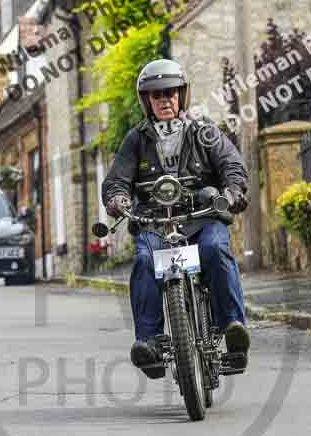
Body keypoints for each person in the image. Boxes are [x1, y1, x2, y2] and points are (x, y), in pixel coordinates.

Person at [102, 59, 250, 379]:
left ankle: (233, 329)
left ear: (182, 95)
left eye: (170, 93)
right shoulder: (136, 139)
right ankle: (149, 342)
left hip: (202, 217)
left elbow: (231, 164)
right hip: (154, 221)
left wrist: (233, 190)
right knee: (144, 261)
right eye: (157, 95)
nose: (165, 100)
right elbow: (117, 180)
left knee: (215, 250)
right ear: (147, 101)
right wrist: (118, 199)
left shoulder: (203, 130)